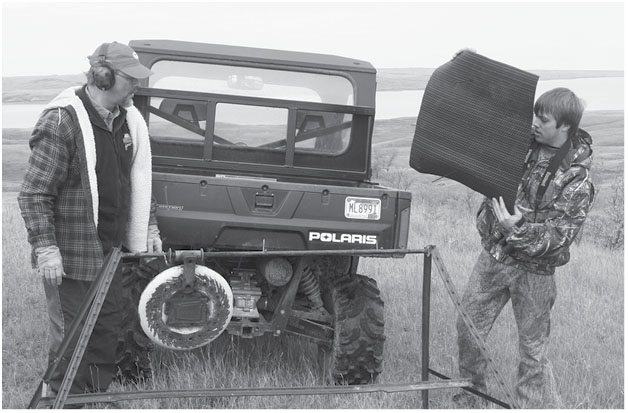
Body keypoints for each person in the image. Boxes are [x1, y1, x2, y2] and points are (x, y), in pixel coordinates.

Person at [18, 41, 162, 397]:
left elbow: (133, 180)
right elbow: (35, 193)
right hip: (71, 254)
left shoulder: (127, 122)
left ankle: (91, 398)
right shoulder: (62, 121)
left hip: (110, 252)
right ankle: (59, 400)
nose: (137, 86)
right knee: (73, 336)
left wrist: (149, 223)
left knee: (106, 329)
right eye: (131, 79)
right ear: (103, 76)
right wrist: (47, 249)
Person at [454, 87, 594, 408]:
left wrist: (514, 229)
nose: (534, 124)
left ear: (565, 128)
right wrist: (470, 70)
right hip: (494, 258)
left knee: (532, 354)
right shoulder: (518, 145)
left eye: (542, 120)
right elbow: (482, 115)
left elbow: (559, 238)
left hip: (536, 274)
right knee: (467, 328)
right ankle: (470, 399)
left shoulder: (578, 179)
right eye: (534, 116)